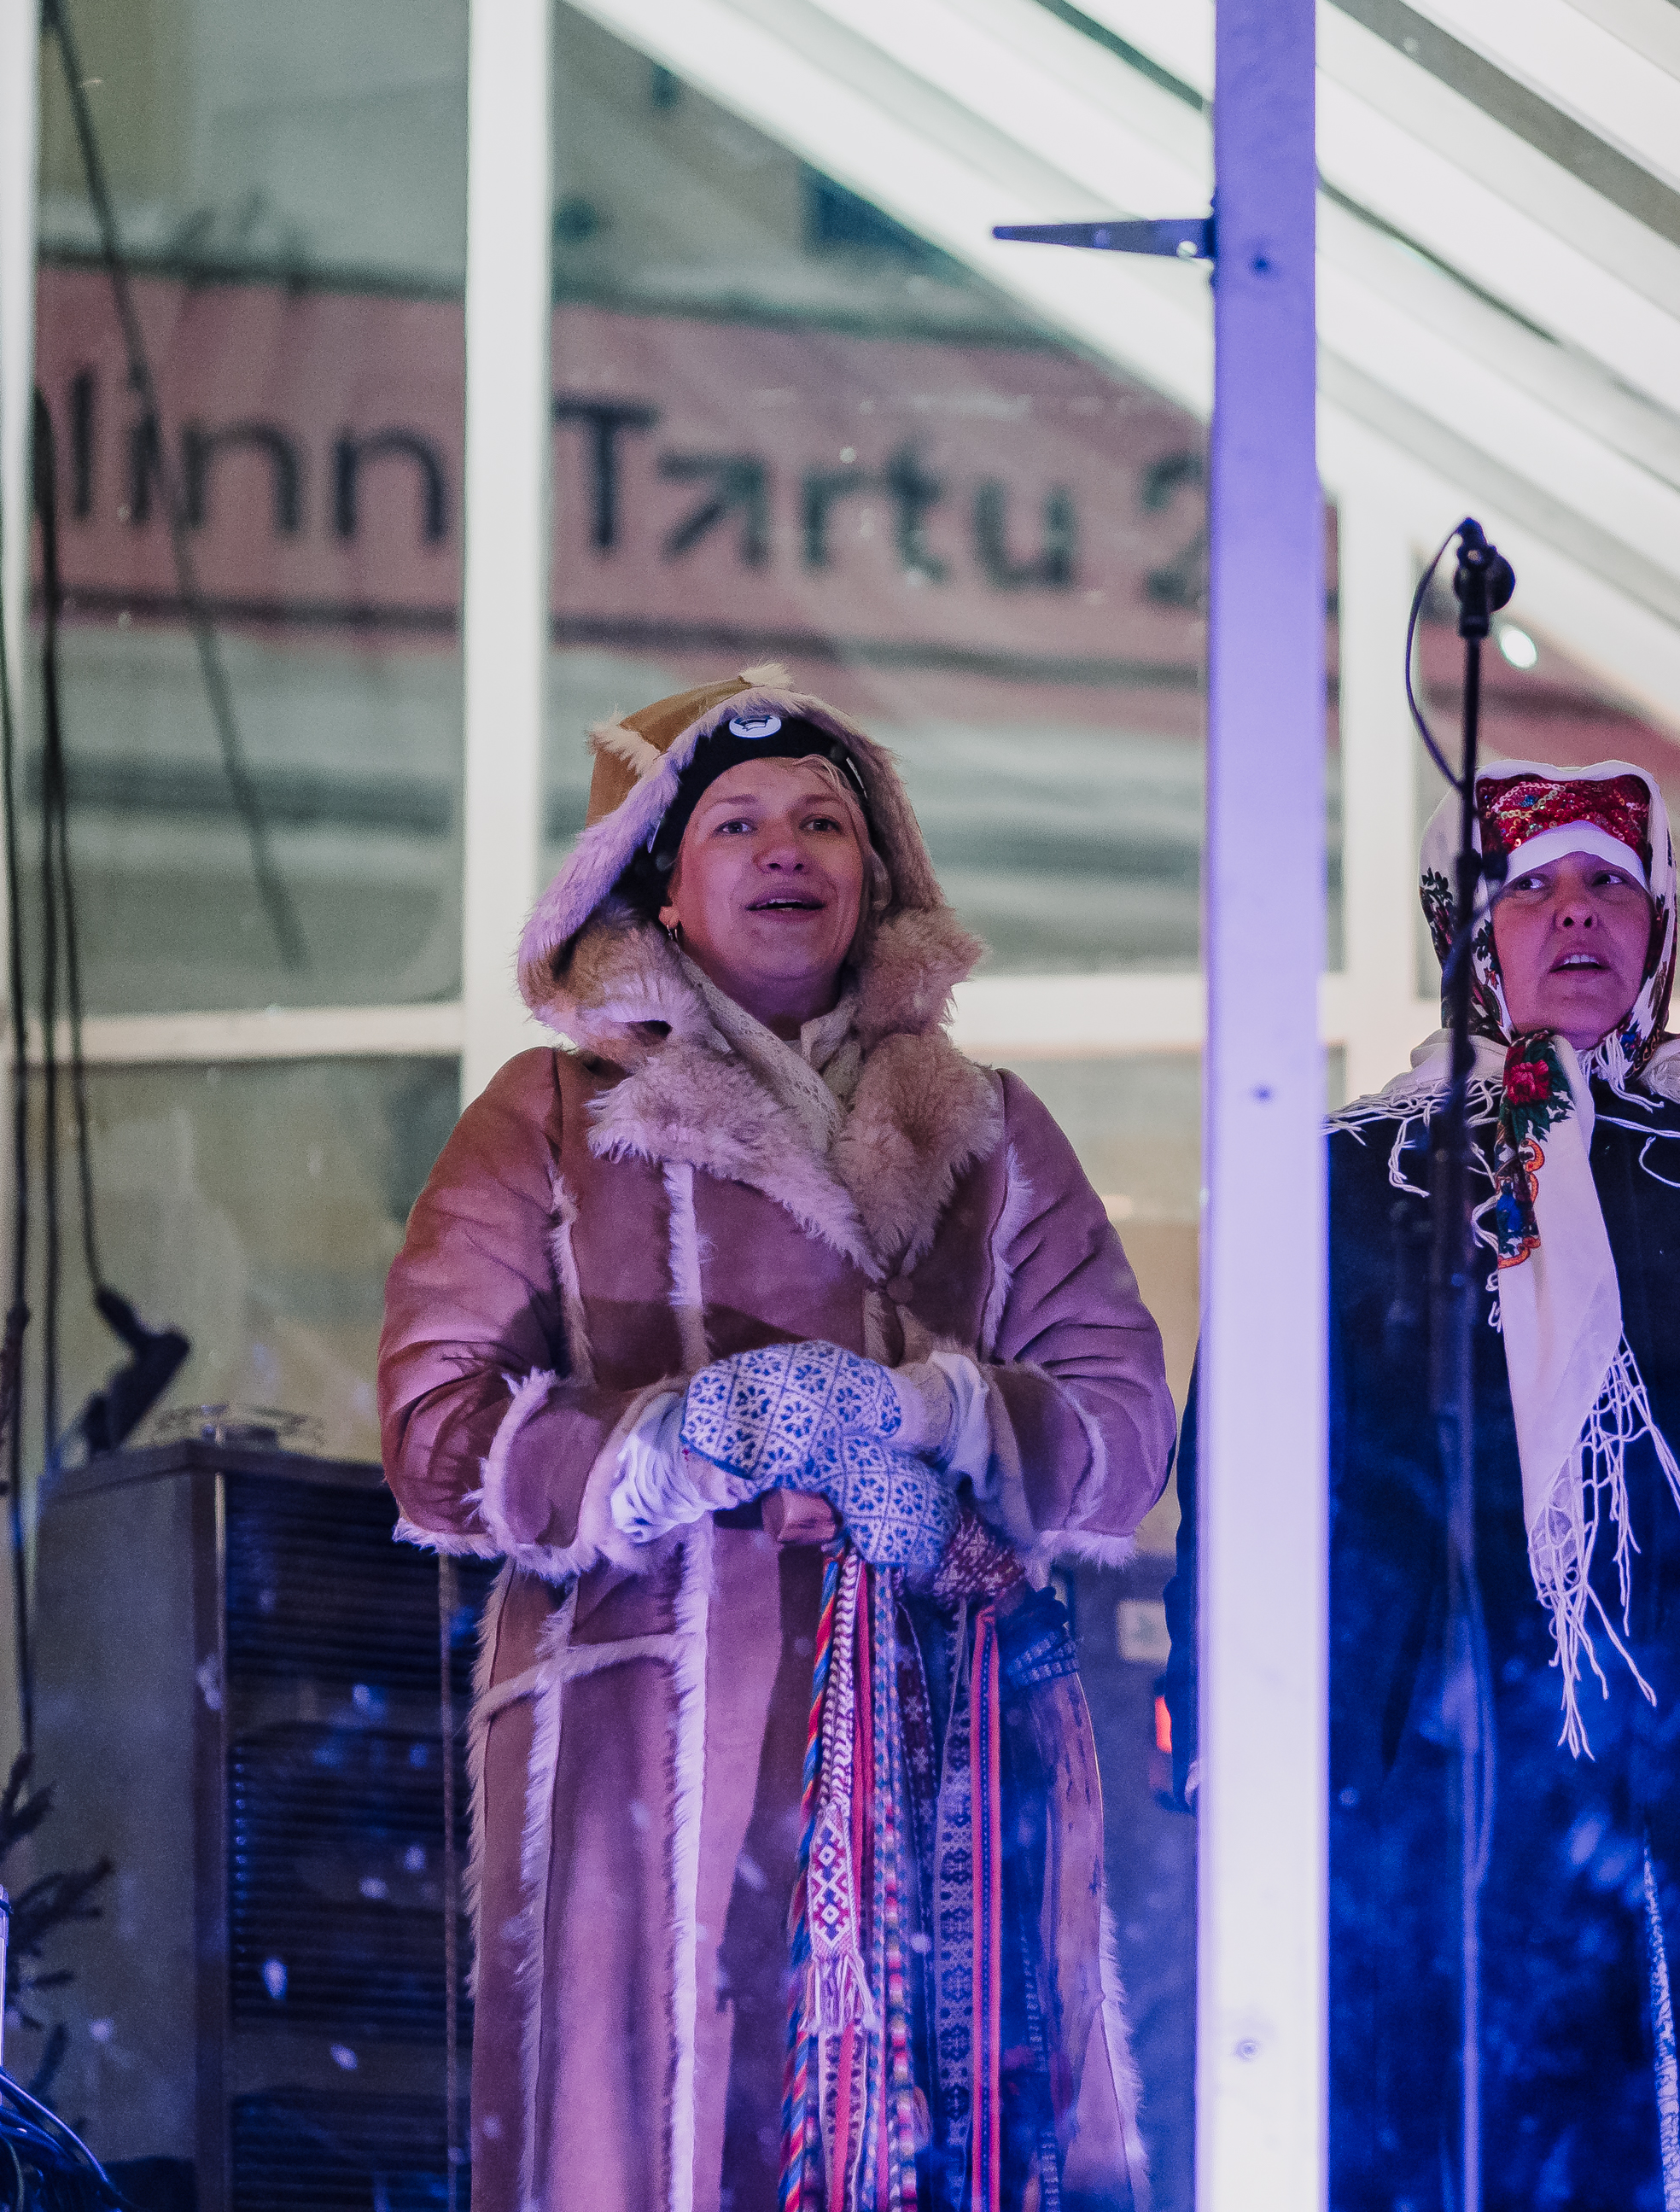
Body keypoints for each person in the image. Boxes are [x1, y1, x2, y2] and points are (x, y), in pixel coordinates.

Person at [1162, 760, 1680, 2211]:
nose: (1574, 916)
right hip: (1465, 1818)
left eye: (1610, 883)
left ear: (1661, 923)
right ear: (1465, 935)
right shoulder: (1358, 1185)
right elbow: (1255, 1510)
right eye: (1529, 888)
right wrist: (1256, 1781)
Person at [378, 664, 1175, 2212]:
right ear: (662, 892)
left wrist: (938, 1420)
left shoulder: (995, 1130)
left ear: (879, 873)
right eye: (736, 822)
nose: (787, 847)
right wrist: (673, 1443)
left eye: (824, 818)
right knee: (660, 2150)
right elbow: (429, 1425)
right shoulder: (547, 1117)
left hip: (952, 1750)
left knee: (954, 2147)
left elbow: (1127, 1430)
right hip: (640, 1769)